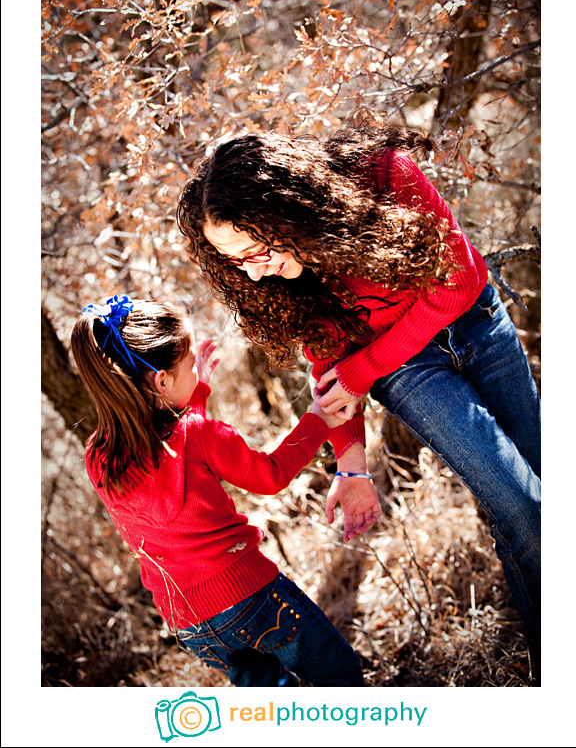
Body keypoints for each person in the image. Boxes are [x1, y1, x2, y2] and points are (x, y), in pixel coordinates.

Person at [176, 125, 541, 667]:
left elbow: (459, 281)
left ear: (288, 209)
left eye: (255, 249)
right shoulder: (277, 278)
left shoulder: (381, 173)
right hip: (409, 371)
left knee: (537, 495)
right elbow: (330, 364)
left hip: (480, 326)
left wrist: (362, 369)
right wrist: (352, 469)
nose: (251, 270)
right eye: (235, 260)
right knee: (523, 506)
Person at [70, 294, 365, 687]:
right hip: (251, 597)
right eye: (190, 365)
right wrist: (319, 418)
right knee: (337, 674)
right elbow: (271, 475)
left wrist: (194, 394)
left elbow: (171, 458)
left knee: (275, 700)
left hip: (189, 623)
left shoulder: (99, 458)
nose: (197, 372)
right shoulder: (198, 434)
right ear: (161, 381)